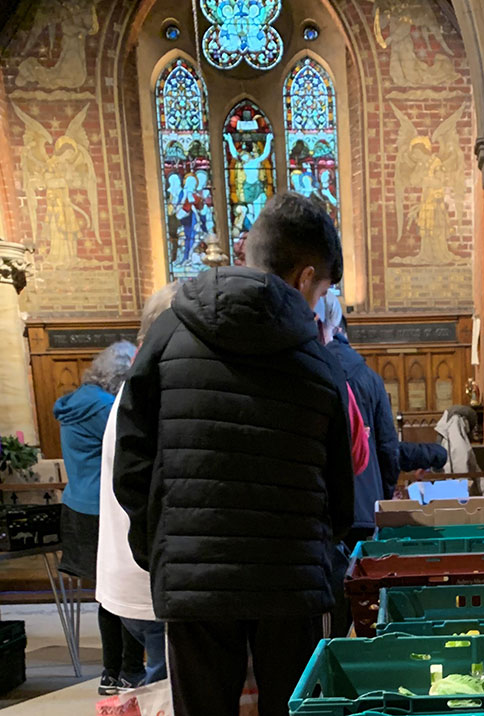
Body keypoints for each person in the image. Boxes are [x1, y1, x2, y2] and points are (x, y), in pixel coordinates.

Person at [114, 192, 355, 716]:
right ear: (303, 276)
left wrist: (162, 551)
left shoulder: (168, 332)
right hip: (290, 582)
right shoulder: (317, 359)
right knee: (292, 709)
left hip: (194, 579)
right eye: (322, 289)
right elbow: (340, 488)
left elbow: (132, 459)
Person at [95, 282, 181, 686]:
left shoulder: (136, 389)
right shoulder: (154, 392)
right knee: (169, 692)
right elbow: (142, 489)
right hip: (150, 583)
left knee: (164, 685)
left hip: (136, 579)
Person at [53, 340, 143, 695]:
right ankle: (129, 671)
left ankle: (111, 672)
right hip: (105, 509)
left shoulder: (75, 402)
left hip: (77, 504)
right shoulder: (106, 407)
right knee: (125, 592)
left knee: (106, 595)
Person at [321, 294, 399, 545]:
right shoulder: (369, 378)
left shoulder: (309, 372)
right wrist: (382, 496)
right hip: (366, 507)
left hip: (322, 511)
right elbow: (388, 448)